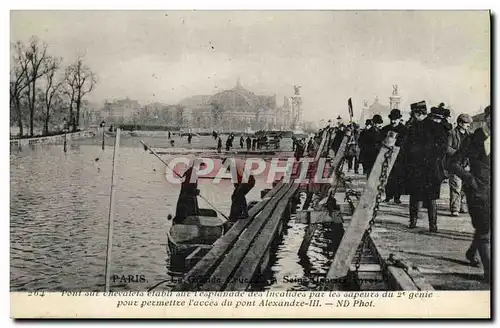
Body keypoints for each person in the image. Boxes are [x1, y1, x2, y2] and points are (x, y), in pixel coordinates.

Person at [447, 106, 490, 282]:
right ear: (487, 118)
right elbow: (451, 162)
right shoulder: (473, 139)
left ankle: (472, 252)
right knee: (485, 232)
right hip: (478, 192)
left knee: (485, 229)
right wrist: (470, 179)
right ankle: (490, 272)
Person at [405, 105, 448, 232]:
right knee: (431, 197)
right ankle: (432, 225)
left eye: (414, 115)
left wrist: (419, 153)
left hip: (421, 167)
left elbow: (407, 147)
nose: (413, 117)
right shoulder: (437, 127)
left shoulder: (415, 127)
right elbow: (443, 147)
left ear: (418, 114)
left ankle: (413, 222)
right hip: (431, 168)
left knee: (416, 195)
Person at [447, 113, 473, 216]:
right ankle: (455, 209)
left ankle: (462, 206)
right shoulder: (451, 133)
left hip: (466, 164)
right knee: (456, 186)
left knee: (465, 186)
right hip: (455, 163)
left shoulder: (470, 135)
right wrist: (458, 154)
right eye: (466, 123)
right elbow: (447, 148)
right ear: (460, 123)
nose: (468, 125)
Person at [381, 109, 408, 204]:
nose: (393, 121)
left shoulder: (404, 130)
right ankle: (388, 196)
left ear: (399, 119)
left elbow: (406, 144)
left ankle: (397, 197)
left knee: (399, 177)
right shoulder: (385, 129)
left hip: (400, 157)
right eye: (392, 119)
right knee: (388, 176)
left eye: (395, 119)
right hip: (387, 156)